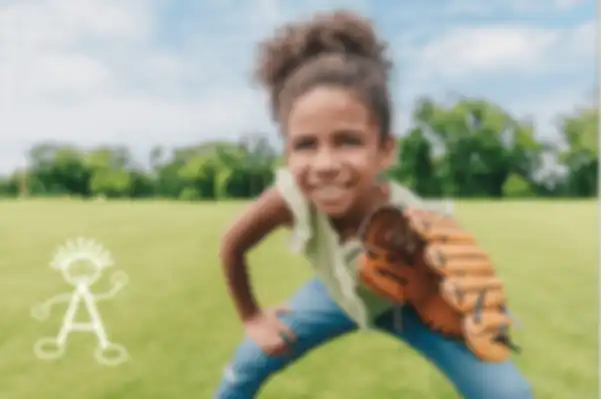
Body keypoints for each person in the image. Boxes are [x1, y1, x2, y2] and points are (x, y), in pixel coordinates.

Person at [214, 10, 533, 399]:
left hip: (410, 299)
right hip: (335, 294)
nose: (326, 164)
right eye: (306, 144)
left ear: (385, 150)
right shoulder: (287, 196)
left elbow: (459, 278)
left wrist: (466, 305)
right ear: (287, 152)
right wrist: (252, 317)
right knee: (247, 364)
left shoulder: (416, 218)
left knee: (509, 394)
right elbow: (231, 245)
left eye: (348, 141)